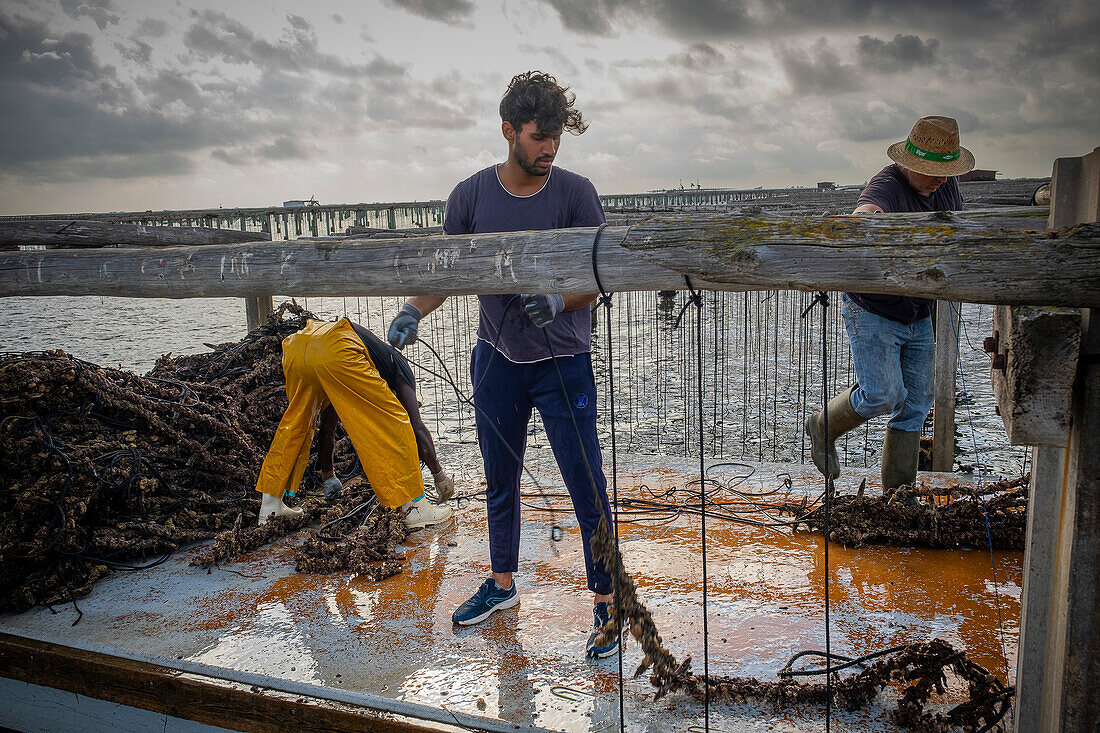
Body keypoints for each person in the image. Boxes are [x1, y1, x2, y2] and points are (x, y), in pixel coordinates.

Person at [387, 71, 618, 659]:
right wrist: (414, 311)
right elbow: (448, 274)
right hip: (495, 360)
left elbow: (598, 277)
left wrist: (560, 300)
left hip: (563, 360)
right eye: (540, 137)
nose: (551, 148)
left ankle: (609, 604)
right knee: (500, 479)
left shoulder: (575, 193)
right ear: (509, 130)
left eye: (558, 137)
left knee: (585, 483)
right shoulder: (468, 197)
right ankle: (501, 583)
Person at [805, 115, 975, 492]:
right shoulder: (886, 184)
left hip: (919, 310)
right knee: (883, 394)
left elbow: (955, 232)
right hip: (874, 309)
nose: (941, 180)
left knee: (916, 403)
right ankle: (822, 425)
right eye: (932, 171)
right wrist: (866, 221)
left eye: (946, 171)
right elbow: (865, 213)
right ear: (908, 164)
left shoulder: (945, 186)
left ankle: (899, 495)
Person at [255, 317, 453, 529]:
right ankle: (416, 509)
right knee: (397, 421)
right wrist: (439, 475)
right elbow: (416, 427)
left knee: (294, 425)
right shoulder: (399, 367)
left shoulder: (354, 365)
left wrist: (328, 475)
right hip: (337, 347)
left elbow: (327, 427)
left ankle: (270, 506)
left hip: (298, 347)